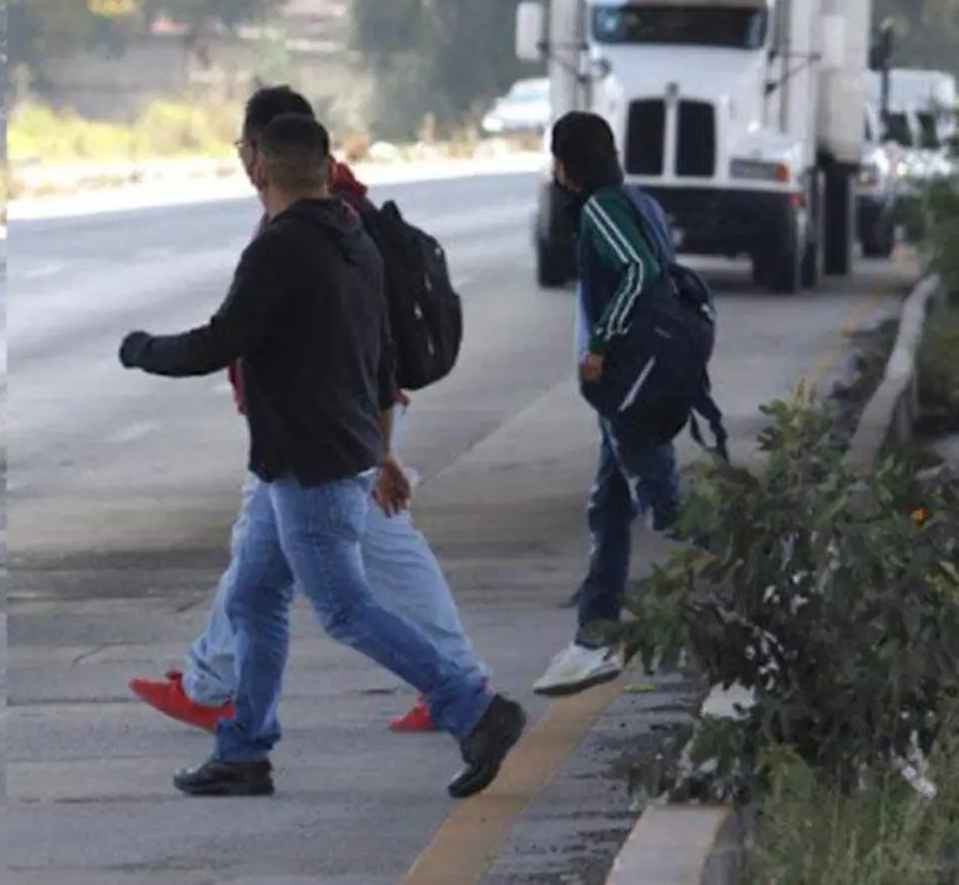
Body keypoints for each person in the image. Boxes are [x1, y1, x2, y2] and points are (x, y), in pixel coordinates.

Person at [118, 112, 526, 800]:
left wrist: (143, 351)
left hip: (311, 462)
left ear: (259, 166)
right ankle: (244, 750)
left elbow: (222, 341)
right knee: (254, 598)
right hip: (317, 454)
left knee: (343, 609)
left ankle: (473, 708)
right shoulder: (352, 239)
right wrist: (385, 451)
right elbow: (381, 357)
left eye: (245, 150)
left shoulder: (280, 249)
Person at [532, 111, 683, 697]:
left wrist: (600, 344)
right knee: (610, 507)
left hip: (629, 379)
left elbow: (639, 271)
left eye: (557, 157)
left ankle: (775, 567)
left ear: (569, 163)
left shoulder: (601, 209)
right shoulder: (635, 199)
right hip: (639, 377)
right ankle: (593, 638)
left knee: (661, 505)